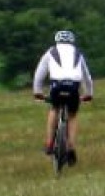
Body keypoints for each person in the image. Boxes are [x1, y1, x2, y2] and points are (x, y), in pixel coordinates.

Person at [32, 29, 94, 165]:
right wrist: (89, 94)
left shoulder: (51, 52)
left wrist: (37, 92)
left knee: (54, 109)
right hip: (73, 88)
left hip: (57, 86)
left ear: (57, 40)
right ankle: (71, 147)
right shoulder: (78, 53)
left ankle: (49, 143)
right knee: (72, 115)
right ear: (72, 41)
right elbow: (87, 77)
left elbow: (39, 74)